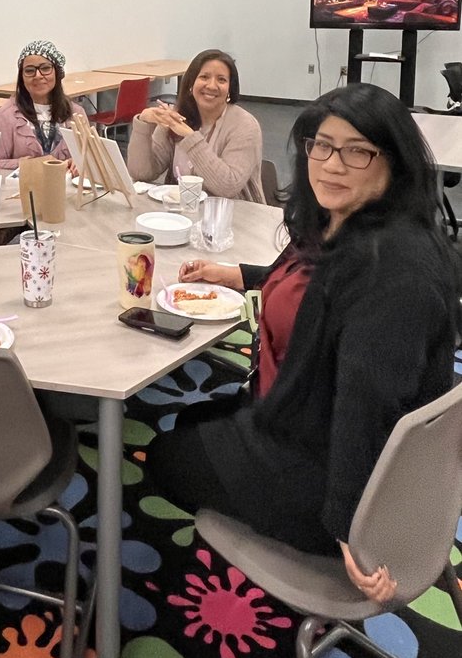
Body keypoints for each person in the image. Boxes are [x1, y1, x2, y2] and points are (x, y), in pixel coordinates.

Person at [144, 83, 460, 603]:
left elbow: (368, 403)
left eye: (358, 151)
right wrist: (237, 274)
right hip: (296, 410)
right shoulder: (344, 223)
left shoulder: (391, 270)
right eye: (322, 144)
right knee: (187, 420)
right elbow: (294, 274)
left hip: (321, 460)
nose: (333, 164)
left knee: (162, 454)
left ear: (394, 161)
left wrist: (348, 528)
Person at [127, 48, 263, 201]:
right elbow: (141, 173)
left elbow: (227, 187)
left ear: (230, 88)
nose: (212, 86)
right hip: (182, 213)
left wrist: (189, 136)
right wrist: (143, 123)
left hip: (235, 215)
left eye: (221, 80)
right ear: (191, 84)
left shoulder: (245, 125)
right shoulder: (178, 115)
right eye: (204, 77)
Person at [0, 41, 86, 171]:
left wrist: (78, 162)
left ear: (57, 72)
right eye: (29, 71)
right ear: (22, 77)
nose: (38, 76)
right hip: (22, 189)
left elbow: (89, 156)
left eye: (45, 68)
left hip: (67, 187)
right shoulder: (5, 117)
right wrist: (27, 163)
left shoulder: (76, 113)